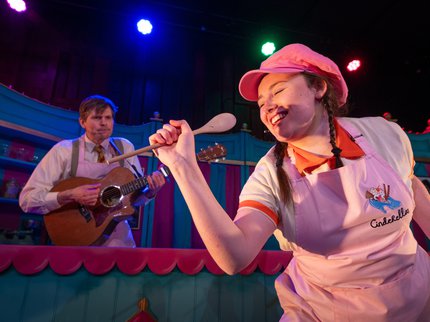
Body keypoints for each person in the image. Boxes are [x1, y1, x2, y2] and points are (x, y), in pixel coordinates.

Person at [149, 44, 430, 321]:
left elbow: (412, 188)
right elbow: (234, 257)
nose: (266, 106)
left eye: (278, 90)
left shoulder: (384, 133)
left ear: (318, 88)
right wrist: (182, 166)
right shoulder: (270, 174)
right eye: (260, 103)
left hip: (418, 296)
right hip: (324, 309)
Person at [19, 95, 166, 247]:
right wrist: (69, 195)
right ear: (82, 122)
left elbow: (134, 199)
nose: (104, 123)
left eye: (108, 118)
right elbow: (27, 200)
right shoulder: (63, 151)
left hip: (119, 242)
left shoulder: (125, 148)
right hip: (76, 240)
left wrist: (150, 192)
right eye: (97, 117)